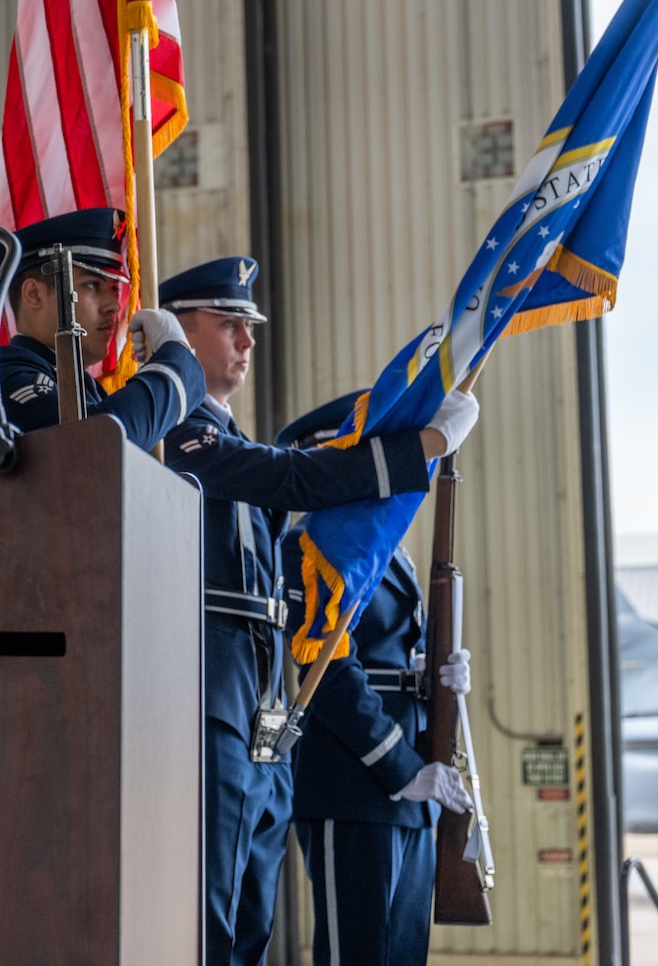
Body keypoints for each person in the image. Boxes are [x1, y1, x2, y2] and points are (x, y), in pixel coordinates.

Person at [155, 260, 475, 966]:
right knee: (212, 922)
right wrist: (420, 448)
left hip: (264, 721)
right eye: (228, 322)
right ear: (179, 328)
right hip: (220, 707)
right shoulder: (175, 434)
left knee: (250, 923)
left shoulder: (232, 443)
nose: (247, 339)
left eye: (249, 325)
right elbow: (294, 478)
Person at [278, 394, 475, 966]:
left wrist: (438, 674)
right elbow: (328, 671)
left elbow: (393, 650)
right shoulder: (310, 546)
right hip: (356, 783)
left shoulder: (389, 552)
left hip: (412, 787)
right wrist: (400, 769)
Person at [0, 207, 203, 449]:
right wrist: (176, 356)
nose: (113, 305)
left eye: (114, 288)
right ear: (34, 294)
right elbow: (101, 441)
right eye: (92, 285)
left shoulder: (89, 390)